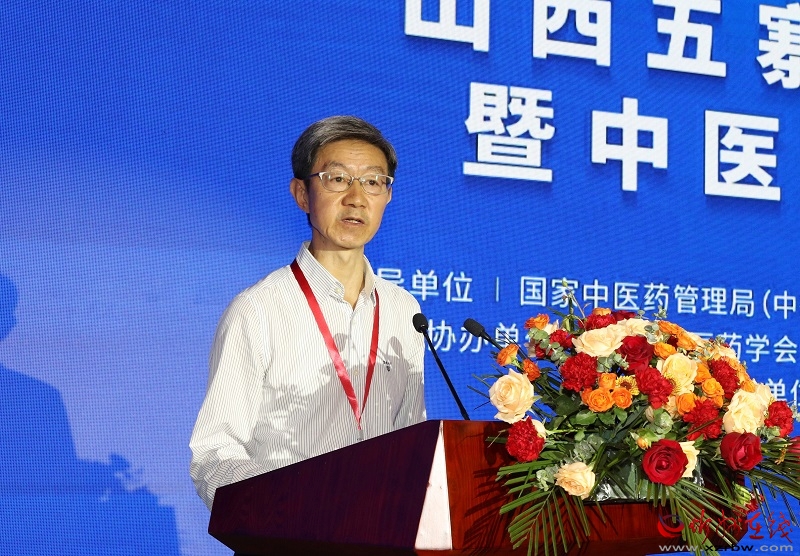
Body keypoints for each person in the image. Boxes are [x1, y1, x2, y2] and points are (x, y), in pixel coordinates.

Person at [189, 116, 426, 510]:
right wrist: (283, 506)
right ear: (302, 193)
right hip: (288, 531)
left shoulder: (404, 310)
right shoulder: (259, 310)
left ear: (387, 195)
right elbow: (214, 453)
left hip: (379, 531)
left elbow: (411, 440)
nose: (356, 197)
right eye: (337, 179)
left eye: (372, 181)